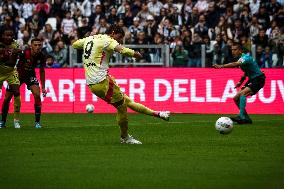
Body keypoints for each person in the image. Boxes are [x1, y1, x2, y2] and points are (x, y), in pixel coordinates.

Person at [72, 25, 170, 144]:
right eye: (118, 37)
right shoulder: (108, 40)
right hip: (102, 82)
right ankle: (125, 137)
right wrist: (136, 54)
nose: (118, 41)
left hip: (93, 84)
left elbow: (75, 44)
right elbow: (122, 50)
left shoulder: (90, 38)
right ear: (113, 33)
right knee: (122, 107)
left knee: (127, 101)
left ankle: (158, 114)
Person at [213, 42, 266, 124]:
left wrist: (221, 66)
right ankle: (246, 119)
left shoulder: (245, 58)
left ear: (240, 50)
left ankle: (241, 116)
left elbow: (235, 64)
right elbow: (246, 71)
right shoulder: (241, 59)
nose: (233, 51)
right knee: (235, 98)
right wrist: (240, 82)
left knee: (243, 94)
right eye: (232, 50)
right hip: (252, 79)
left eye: (235, 49)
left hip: (258, 79)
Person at [4, 38, 47, 128]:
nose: (38, 47)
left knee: (37, 95)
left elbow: (42, 71)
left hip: (30, 76)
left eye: (39, 45)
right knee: (7, 98)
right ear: (31, 46)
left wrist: (43, 87)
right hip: (18, 75)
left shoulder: (42, 56)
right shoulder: (24, 53)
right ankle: (2, 121)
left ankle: (37, 123)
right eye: (35, 45)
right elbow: (13, 59)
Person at [0, 28, 21, 128]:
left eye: (11, 35)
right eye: (7, 35)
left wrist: (5, 56)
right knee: (5, 99)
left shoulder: (15, 45)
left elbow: (12, 63)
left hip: (10, 72)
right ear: (2, 35)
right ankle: (2, 121)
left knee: (17, 92)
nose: (9, 37)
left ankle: (16, 120)